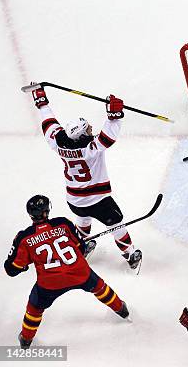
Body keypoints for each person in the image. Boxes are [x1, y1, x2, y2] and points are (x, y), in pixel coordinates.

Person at [30, 84, 141, 270]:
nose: (92, 131)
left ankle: (83, 244)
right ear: (81, 136)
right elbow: (108, 136)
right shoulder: (90, 149)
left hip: (74, 200)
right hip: (98, 200)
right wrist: (114, 116)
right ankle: (130, 253)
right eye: (88, 130)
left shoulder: (59, 144)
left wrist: (41, 101)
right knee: (116, 225)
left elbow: (49, 124)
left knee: (83, 220)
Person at [4, 195, 129, 349]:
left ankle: (26, 339)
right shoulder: (63, 223)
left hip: (50, 284)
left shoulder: (24, 237)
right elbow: (81, 249)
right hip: (79, 273)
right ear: (47, 211)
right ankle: (122, 309)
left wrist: (24, 265)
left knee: (35, 307)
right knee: (99, 287)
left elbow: (11, 269)